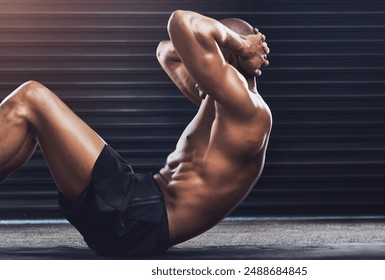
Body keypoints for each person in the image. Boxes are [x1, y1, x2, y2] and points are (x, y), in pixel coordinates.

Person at [0, 10, 272, 257]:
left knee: (30, 97)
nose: (200, 55)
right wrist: (228, 45)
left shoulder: (247, 111)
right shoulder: (218, 99)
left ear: (231, 57)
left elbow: (181, 21)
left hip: (137, 219)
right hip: (137, 209)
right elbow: (166, 50)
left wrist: (240, 43)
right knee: (30, 123)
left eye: (211, 48)